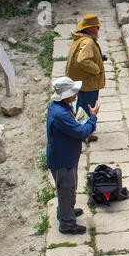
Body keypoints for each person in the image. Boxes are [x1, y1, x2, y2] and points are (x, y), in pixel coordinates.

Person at [46, 77, 100, 235]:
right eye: (73, 92)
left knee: (66, 188)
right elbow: (82, 132)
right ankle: (67, 223)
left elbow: (75, 120)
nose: (76, 94)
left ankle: (65, 211)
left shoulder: (60, 107)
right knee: (67, 189)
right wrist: (93, 117)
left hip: (64, 155)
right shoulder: (61, 115)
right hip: (63, 159)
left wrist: (85, 118)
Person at [66, 14, 105, 143]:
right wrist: (96, 69)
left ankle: (80, 129)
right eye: (96, 28)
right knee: (87, 107)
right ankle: (85, 132)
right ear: (90, 29)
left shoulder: (81, 39)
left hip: (81, 81)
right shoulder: (88, 42)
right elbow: (83, 60)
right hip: (88, 82)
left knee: (81, 105)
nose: (98, 30)